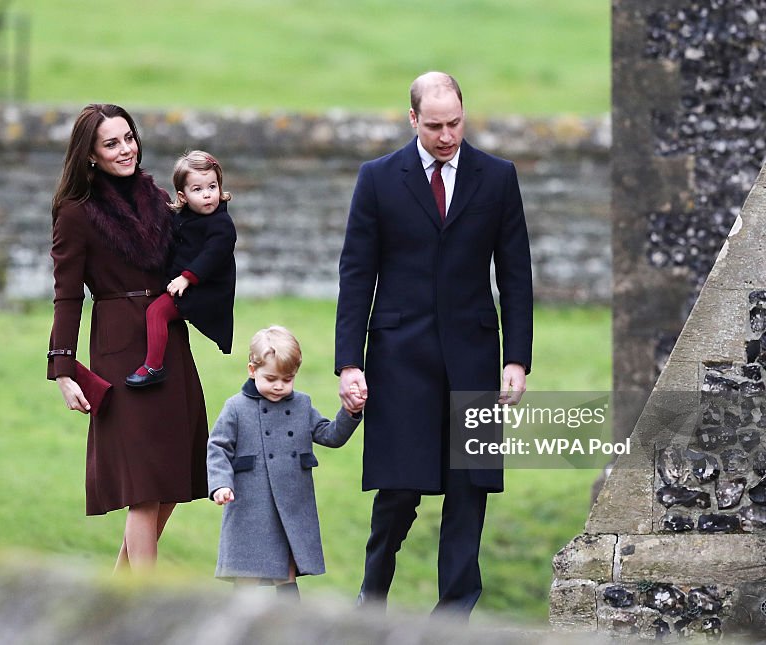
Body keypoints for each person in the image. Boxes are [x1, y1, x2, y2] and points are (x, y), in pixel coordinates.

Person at [335, 72, 533, 616]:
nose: (447, 136)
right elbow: (356, 274)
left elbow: (515, 275)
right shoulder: (377, 179)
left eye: (455, 123)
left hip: (472, 359)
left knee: (469, 491)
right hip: (399, 359)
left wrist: (516, 358)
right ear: (413, 119)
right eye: (435, 125)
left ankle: (454, 616)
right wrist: (349, 362)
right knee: (398, 492)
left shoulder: (497, 177)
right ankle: (370, 601)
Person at [47, 103, 209, 571]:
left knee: (173, 475)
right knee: (143, 486)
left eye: (129, 137)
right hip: (119, 351)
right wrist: (64, 369)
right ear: (91, 155)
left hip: (169, 343)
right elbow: (66, 296)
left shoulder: (159, 198)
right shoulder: (76, 213)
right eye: (111, 143)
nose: (125, 149)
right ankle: (145, 607)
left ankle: (117, 594)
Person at [207, 326, 362, 600]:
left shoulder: (302, 405)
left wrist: (350, 413)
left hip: (290, 505)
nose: (279, 386)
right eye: (271, 378)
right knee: (247, 575)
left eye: (287, 379)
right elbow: (218, 447)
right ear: (252, 370)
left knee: (285, 574)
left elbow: (329, 435)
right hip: (249, 503)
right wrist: (220, 484)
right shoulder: (236, 407)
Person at [125, 150, 238, 387]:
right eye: (197, 189)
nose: (207, 195)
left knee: (157, 312)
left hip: (205, 291)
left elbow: (212, 255)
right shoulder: (182, 218)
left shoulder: (222, 224)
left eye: (212, 186)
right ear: (182, 196)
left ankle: (153, 366)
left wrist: (186, 278)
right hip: (183, 283)